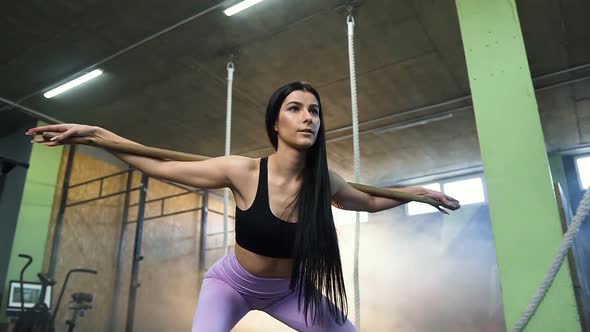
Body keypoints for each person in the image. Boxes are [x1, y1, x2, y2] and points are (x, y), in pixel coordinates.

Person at [26, 81, 460, 331]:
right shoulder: (242, 172)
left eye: (314, 110)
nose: (308, 117)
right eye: (295, 109)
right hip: (231, 286)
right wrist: (93, 134)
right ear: (277, 122)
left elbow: (367, 200)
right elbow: (158, 164)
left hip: (292, 293)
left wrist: (420, 194)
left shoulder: (325, 183)